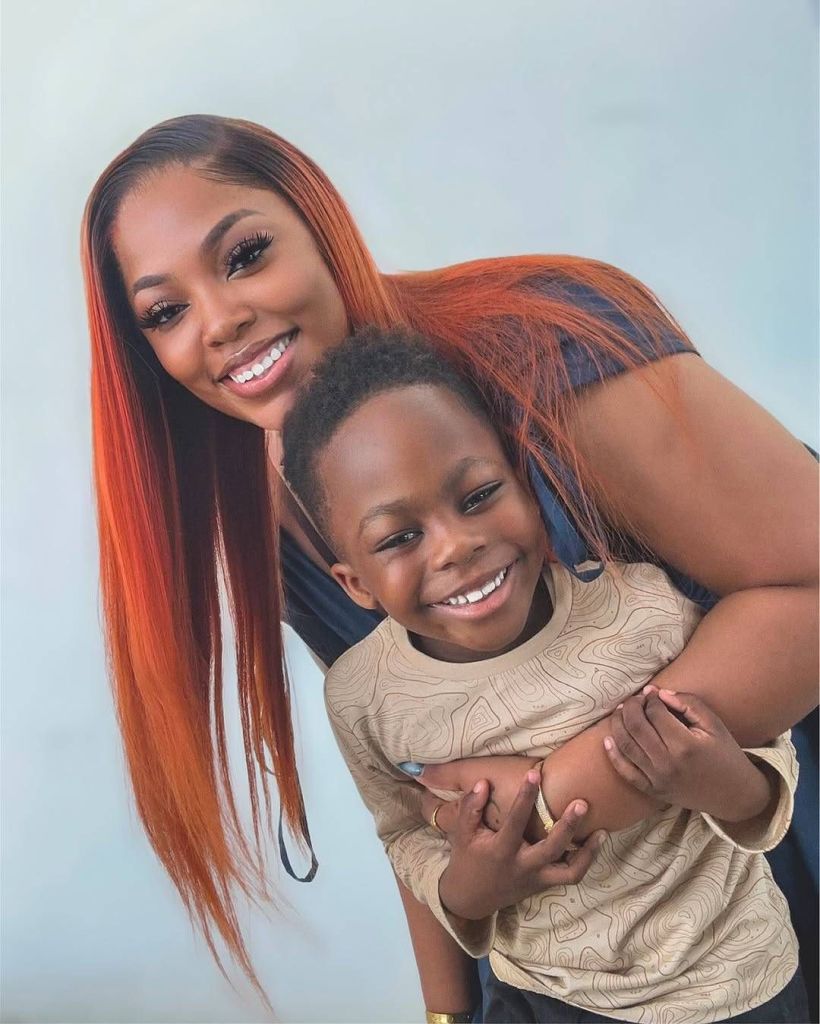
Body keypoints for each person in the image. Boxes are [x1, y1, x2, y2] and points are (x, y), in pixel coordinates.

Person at [81, 114, 818, 1017]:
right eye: (165, 311)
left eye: (243, 255)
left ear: (320, 223)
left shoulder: (549, 346)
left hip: (740, 874)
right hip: (549, 964)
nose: (221, 321)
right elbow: (414, 767)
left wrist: (552, 796)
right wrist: (446, 1010)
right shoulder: (278, 523)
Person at [280, 326, 806, 1022]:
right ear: (355, 582)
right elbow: (402, 831)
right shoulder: (362, 698)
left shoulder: (640, 608)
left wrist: (726, 783)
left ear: (528, 491)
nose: (457, 546)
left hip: (727, 986)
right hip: (539, 997)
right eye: (400, 538)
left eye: (477, 496)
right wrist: (469, 886)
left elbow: (762, 747)